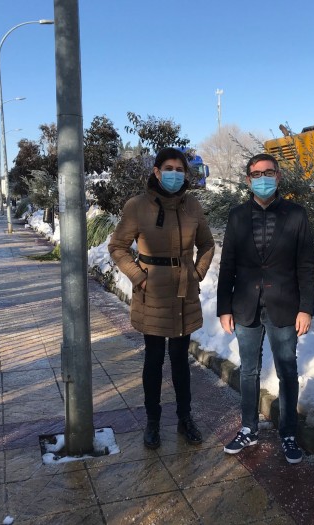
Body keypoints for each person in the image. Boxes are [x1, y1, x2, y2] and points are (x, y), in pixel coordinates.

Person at [109, 147, 215, 449]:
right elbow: (117, 247)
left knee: (181, 360)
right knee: (154, 359)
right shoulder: (137, 206)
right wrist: (139, 276)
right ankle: (152, 422)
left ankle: (185, 418)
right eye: (168, 168)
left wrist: (197, 272)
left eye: (179, 169)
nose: (174, 174)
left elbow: (207, 243)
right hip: (151, 291)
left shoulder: (192, 205)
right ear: (156, 171)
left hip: (184, 291)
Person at [217, 153, 314, 464]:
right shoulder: (237, 216)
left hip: (284, 307)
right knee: (248, 371)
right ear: (248, 179)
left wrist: (306, 309)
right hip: (245, 307)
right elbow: (227, 265)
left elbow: (305, 266)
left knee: (287, 371)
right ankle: (249, 427)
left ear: (278, 176)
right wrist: (224, 307)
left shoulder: (296, 215)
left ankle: (288, 432)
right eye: (256, 173)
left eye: (268, 172)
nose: (262, 178)